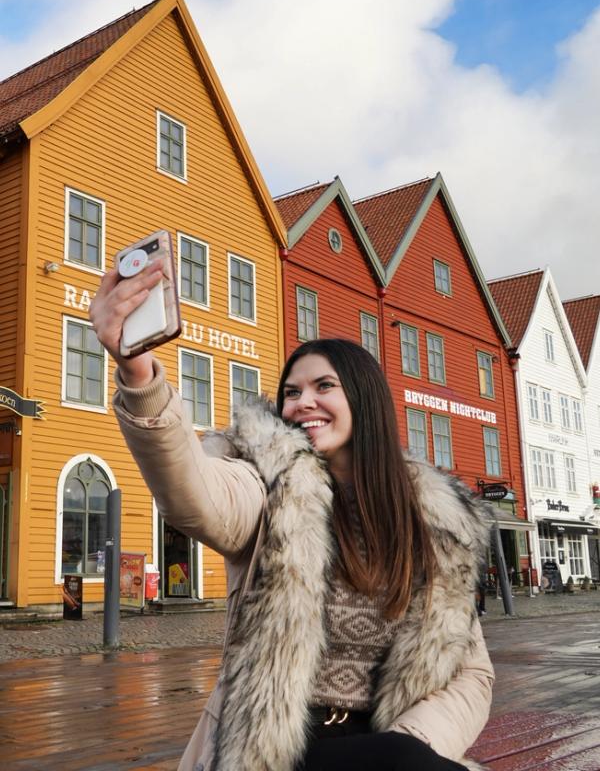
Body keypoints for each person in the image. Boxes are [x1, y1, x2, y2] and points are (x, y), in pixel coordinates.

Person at [90, 259, 494, 771]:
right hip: (281, 748)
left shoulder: (434, 519)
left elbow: (472, 674)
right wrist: (138, 372)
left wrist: (408, 745)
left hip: (398, 744)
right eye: (291, 391)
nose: (303, 402)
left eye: (324, 386)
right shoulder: (265, 480)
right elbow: (195, 494)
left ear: (365, 399)